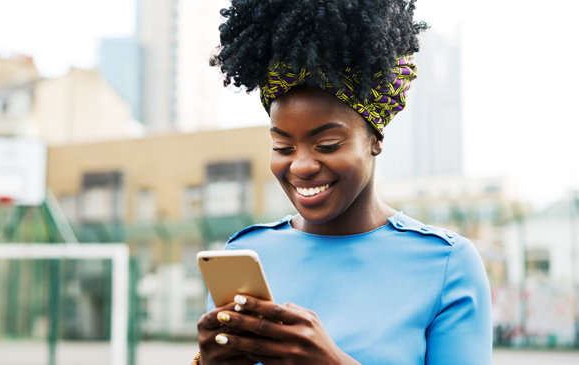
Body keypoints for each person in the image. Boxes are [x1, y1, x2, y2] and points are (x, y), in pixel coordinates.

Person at [194, 1, 492, 364]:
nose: (301, 165)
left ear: (375, 139)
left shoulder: (446, 264)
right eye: (283, 146)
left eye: (327, 145)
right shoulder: (246, 253)